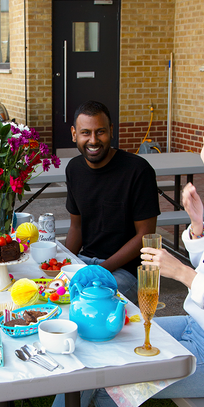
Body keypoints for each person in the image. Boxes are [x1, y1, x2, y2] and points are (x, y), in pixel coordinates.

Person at [18, 104, 204, 407]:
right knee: (102, 351)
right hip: (199, 329)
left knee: (106, 379)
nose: (201, 153)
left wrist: (181, 274)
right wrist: (197, 229)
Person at [65, 100, 160, 303]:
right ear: (74, 134)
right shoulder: (74, 169)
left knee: (90, 303)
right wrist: (64, 264)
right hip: (85, 263)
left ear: (111, 130)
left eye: (100, 132)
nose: (93, 140)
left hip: (125, 270)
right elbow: (77, 226)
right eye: (85, 133)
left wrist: (101, 270)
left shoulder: (137, 171)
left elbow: (146, 235)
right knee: (47, 293)